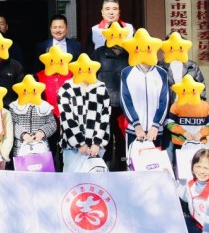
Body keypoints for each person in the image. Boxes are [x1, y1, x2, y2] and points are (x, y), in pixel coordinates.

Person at [57, 73, 110, 172]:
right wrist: (80, 143)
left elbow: (105, 117)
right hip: (72, 148)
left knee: (95, 180)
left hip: (96, 148)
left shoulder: (101, 88)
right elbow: (67, 118)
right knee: (72, 180)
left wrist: (97, 143)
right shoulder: (66, 88)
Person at [91, 42, 130, 170]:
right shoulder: (99, 53)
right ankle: (104, 166)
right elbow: (91, 76)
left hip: (124, 104)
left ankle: (122, 166)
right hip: (104, 103)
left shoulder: (129, 53)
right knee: (103, 137)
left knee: (122, 138)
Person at [120, 60, 169, 151]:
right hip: (134, 130)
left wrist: (156, 125)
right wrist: (136, 124)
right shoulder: (127, 72)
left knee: (155, 160)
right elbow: (125, 100)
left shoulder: (162, 73)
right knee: (133, 159)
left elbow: (164, 101)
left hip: (155, 132)